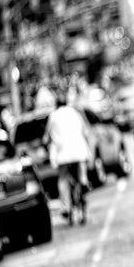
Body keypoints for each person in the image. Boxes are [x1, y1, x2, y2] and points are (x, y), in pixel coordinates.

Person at [45, 93, 92, 223]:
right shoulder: (74, 112)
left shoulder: (53, 116)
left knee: (63, 179)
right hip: (79, 151)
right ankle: (83, 182)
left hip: (62, 154)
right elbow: (85, 131)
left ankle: (66, 207)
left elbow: (46, 137)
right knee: (81, 170)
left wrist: (48, 142)